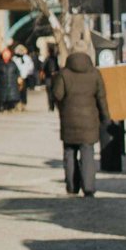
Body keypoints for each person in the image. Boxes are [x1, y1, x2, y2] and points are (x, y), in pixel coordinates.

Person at [51, 52, 109, 197]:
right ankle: (89, 187)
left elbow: (57, 95)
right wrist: (105, 117)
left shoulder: (64, 74)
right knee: (88, 153)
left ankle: (72, 187)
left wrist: (63, 109)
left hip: (69, 120)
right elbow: (101, 98)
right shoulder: (95, 74)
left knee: (69, 153)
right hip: (89, 121)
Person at [0, 46, 21, 113]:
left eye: (7, 54)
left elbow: (18, 72)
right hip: (2, 83)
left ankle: (11, 107)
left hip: (12, 83)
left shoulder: (13, 63)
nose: (6, 56)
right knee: (3, 96)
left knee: (12, 96)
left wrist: (19, 78)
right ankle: (3, 107)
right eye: (5, 54)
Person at [12, 44, 36, 111]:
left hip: (24, 77)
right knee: (17, 91)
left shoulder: (27, 58)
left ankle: (23, 104)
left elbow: (31, 67)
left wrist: (27, 73)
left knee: (23, 92)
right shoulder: (14, 58)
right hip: (16, 78)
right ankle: (17, 104)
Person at [41, 44, 60, 112]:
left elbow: (43, 67)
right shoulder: (54, 58)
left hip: (49, 77)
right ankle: (52, 105)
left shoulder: (49, 59)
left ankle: (51, 106)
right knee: (52, 92)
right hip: (51, 77)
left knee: (50, 92)